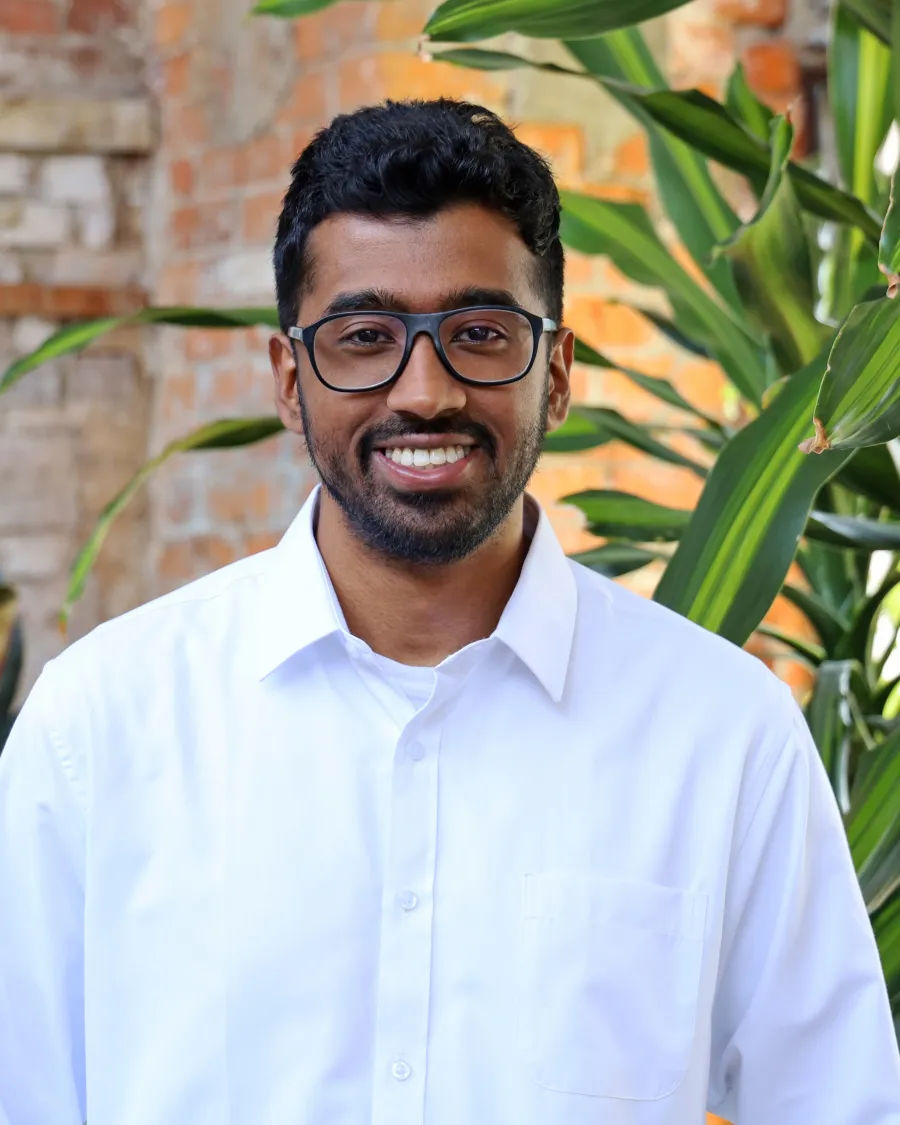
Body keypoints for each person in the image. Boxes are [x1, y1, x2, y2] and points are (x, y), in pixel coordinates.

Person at [0, 97, 898, 1125]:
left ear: (556, 375)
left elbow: (837, 1105)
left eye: (478, 333)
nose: (423, 390)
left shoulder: (726, 738)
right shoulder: (99, 730)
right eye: (364, 334)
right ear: (291, 381)